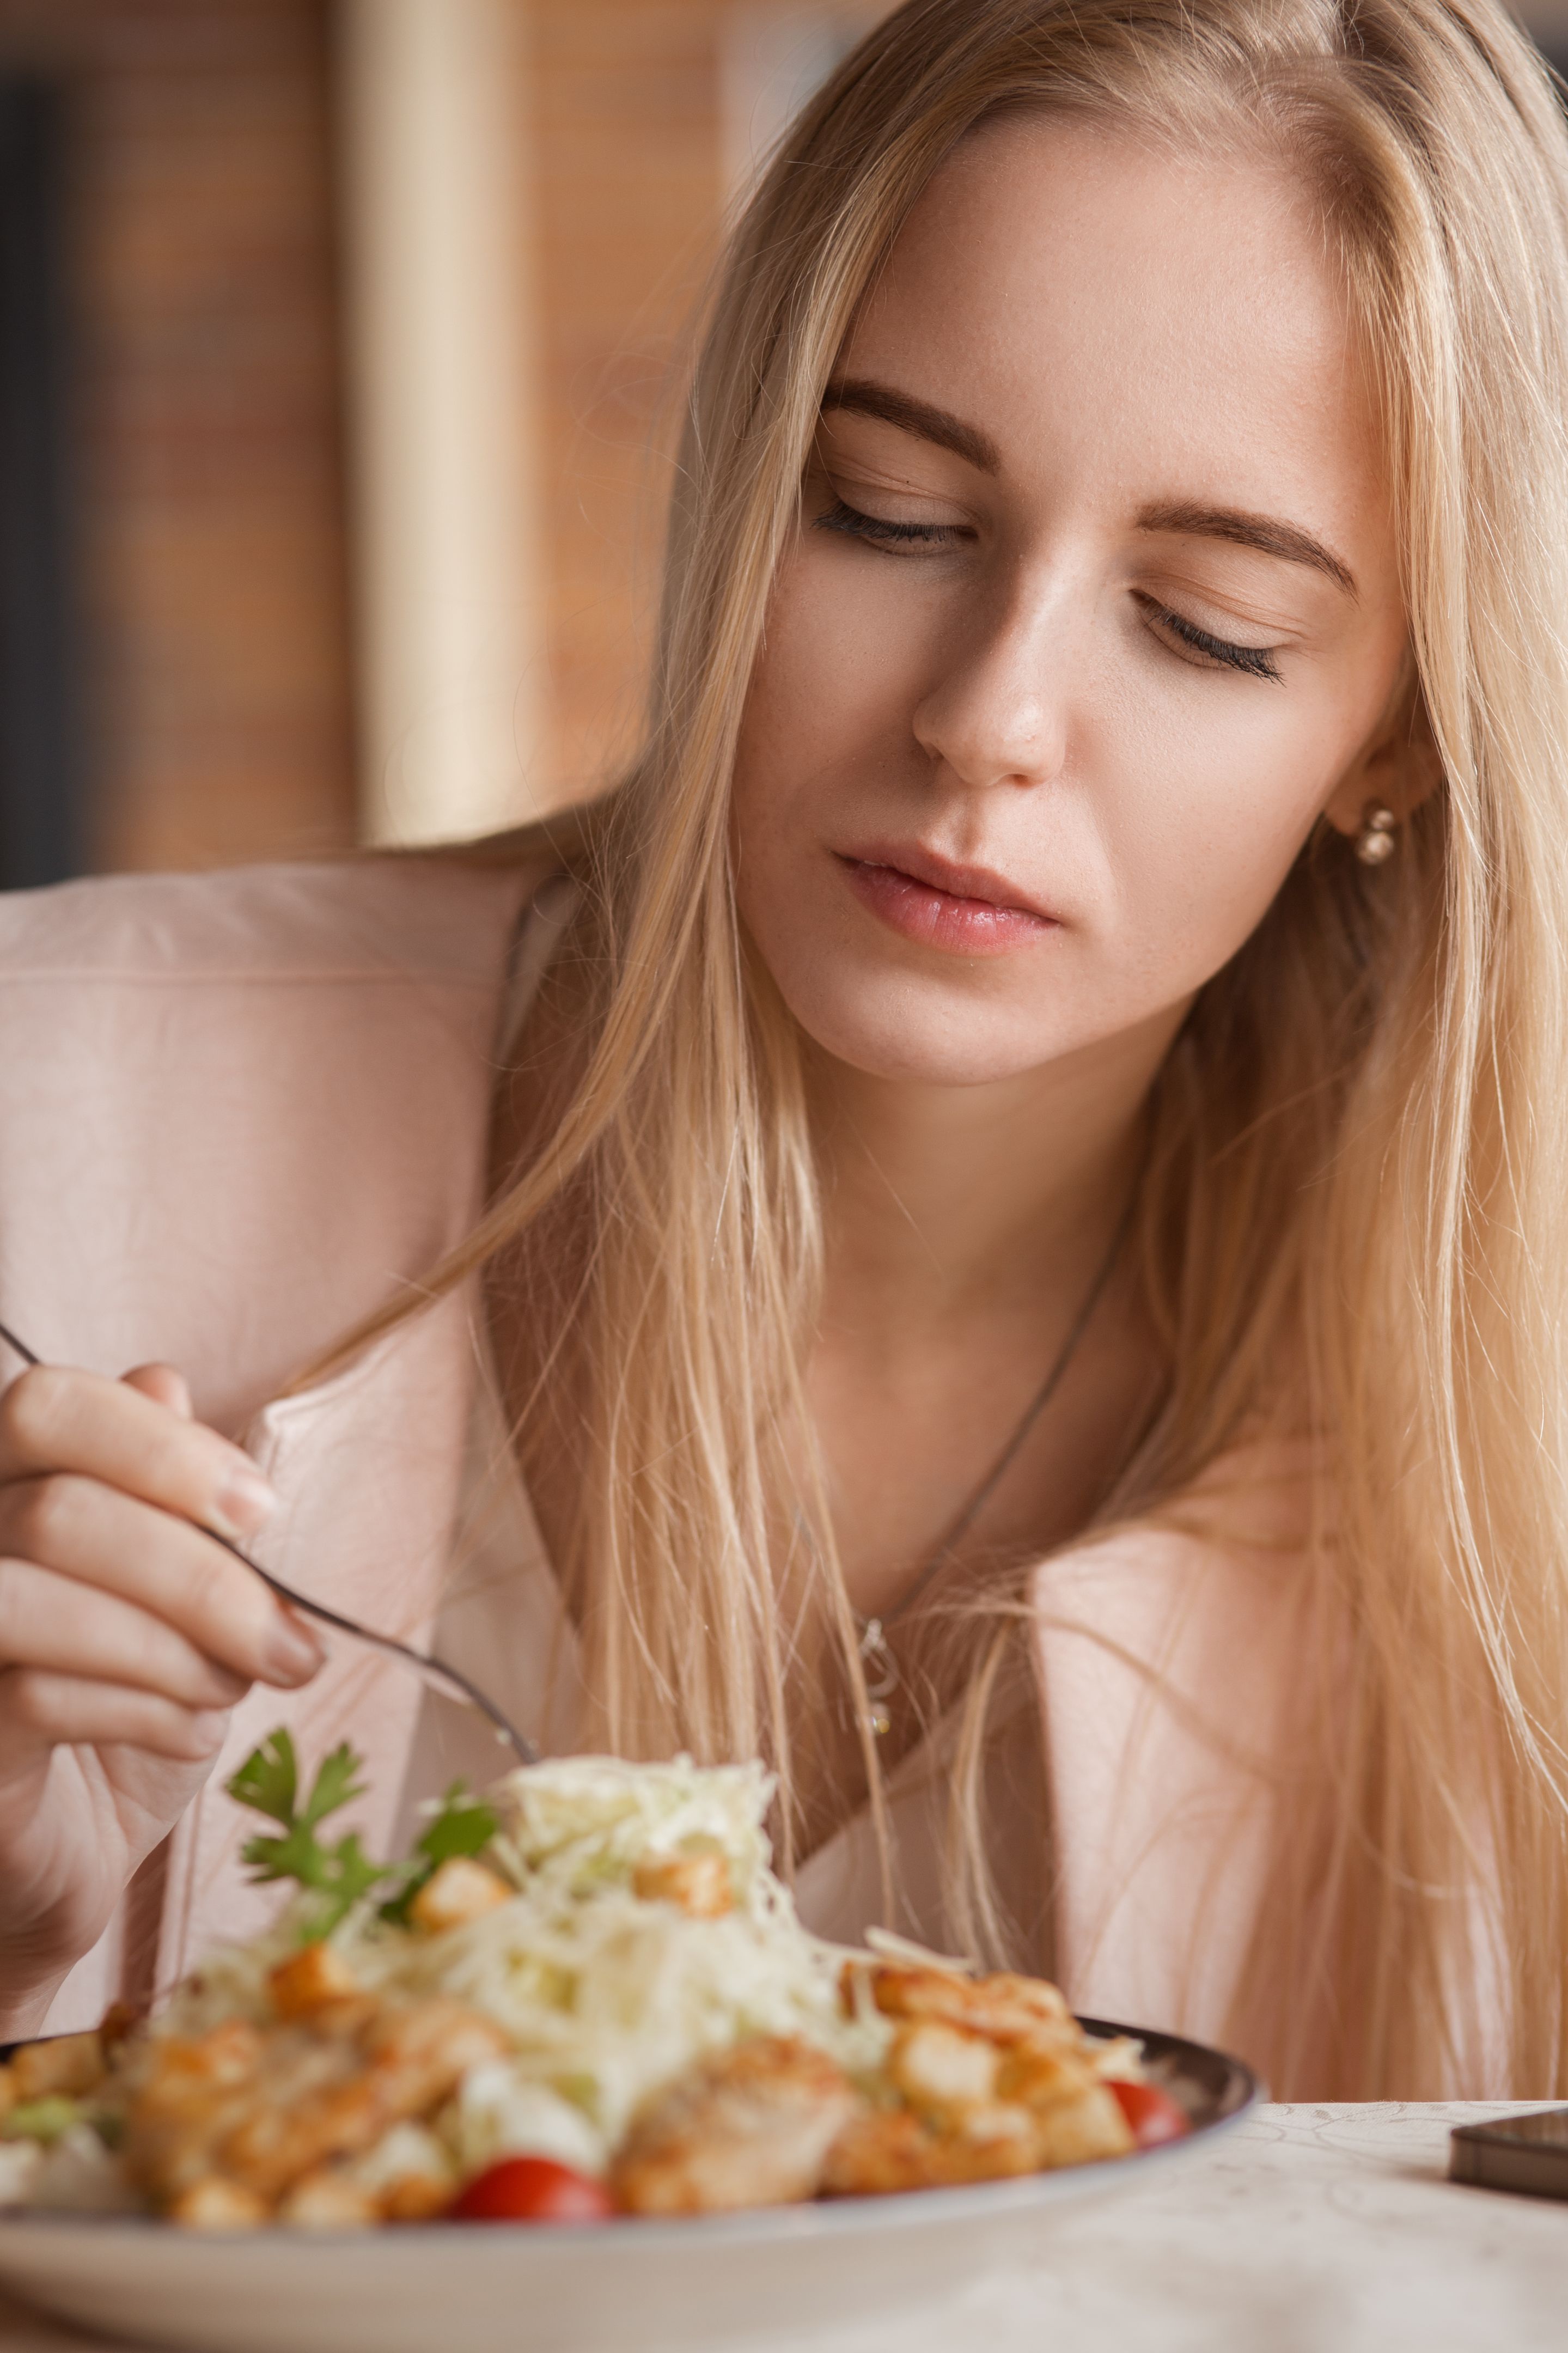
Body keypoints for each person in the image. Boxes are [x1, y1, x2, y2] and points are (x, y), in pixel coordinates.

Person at [0, 0, 1563, 2102]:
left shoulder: (1512, 1415)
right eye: (891, 511)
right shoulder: (43, 1110)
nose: (987, 720)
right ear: (743, 492)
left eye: (1207, 624)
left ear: (1394, 725)